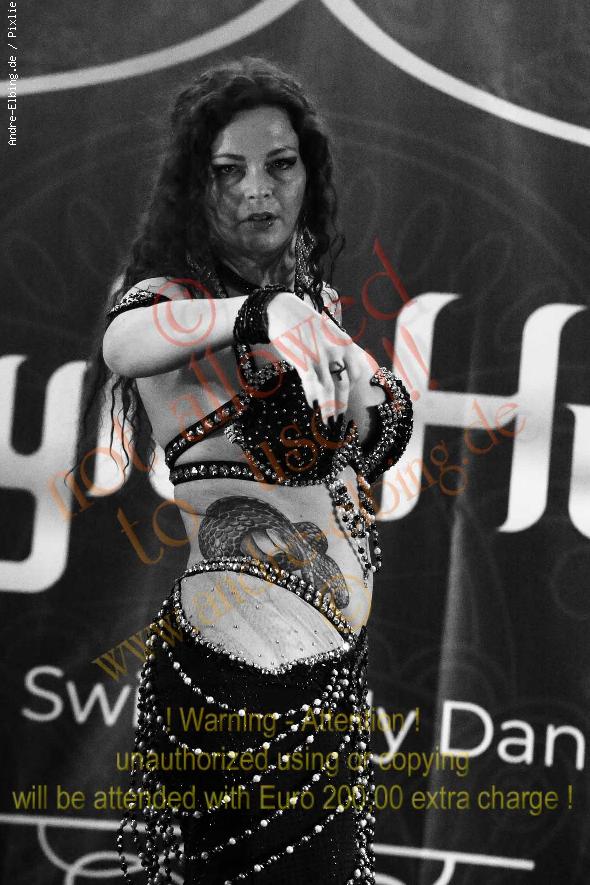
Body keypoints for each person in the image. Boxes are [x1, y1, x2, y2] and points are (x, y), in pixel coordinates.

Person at [94, 57, 412, 884]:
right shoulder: (176, 300)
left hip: (331, 681)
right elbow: (123, 343)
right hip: (238, 685)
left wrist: (318, 333)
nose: (256, 190)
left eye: (280, 164)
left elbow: (368, 440)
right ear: (194, 184)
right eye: (227, 171)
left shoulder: (315, 308)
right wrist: (260, 312)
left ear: (309, 173)